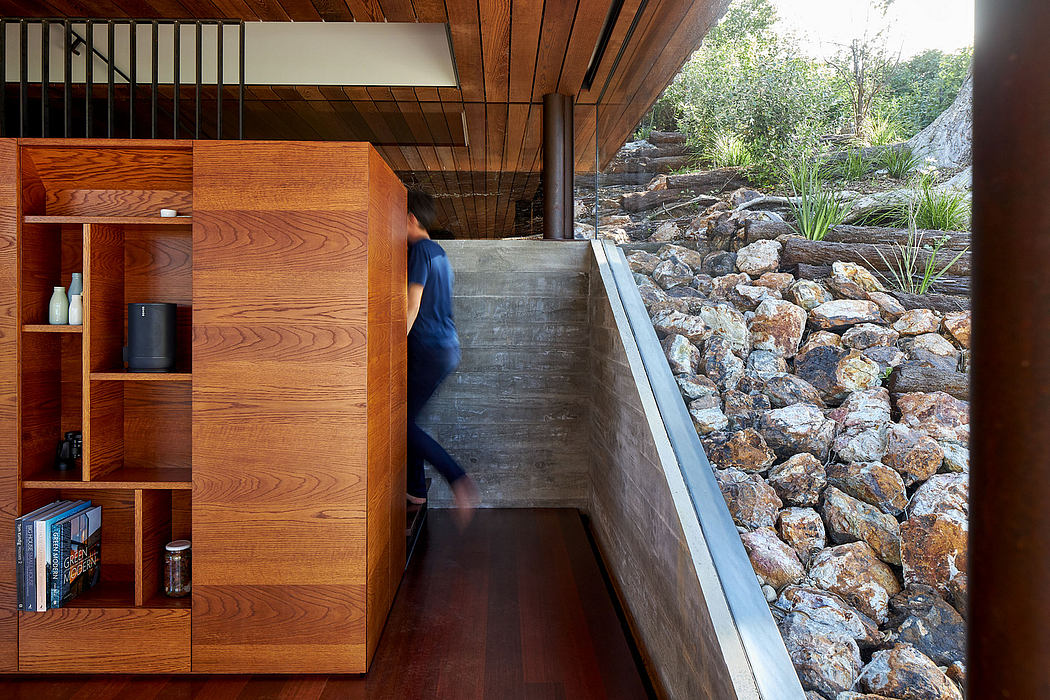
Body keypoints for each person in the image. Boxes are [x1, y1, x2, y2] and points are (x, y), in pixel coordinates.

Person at [405, 190, 480, 521]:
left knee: (400, 423)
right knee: (406, 420)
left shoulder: (420, 250)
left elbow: (412, 305)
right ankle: (417, 490)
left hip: (428, 349)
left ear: (411, 218)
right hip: (445, 347)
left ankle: (456, 477)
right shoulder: (439, 253)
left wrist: (390, 346)